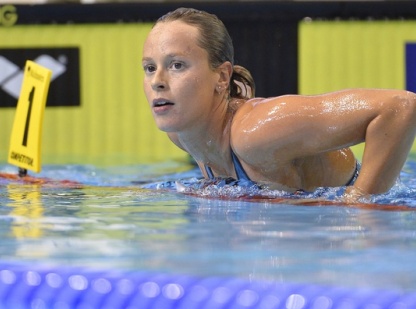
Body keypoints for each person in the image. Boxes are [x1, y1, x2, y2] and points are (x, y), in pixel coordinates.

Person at [141, 7, 416, 201]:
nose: (157, 81)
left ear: (223, 76)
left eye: (177, 65)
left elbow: (400, 106)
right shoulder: (181, 134)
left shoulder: (257, 132)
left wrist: (359, 206)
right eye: (150, 68)